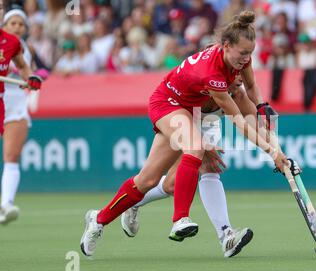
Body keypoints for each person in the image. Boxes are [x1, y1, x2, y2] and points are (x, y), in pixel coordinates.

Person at [80, 11, 288, 257]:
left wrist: (268, 121)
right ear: (226, 46)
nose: (246, 59)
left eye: (250, 54)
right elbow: (240, 122)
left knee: (158, 182)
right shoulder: (212, 75)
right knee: (195, 148)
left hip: (201, 110)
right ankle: (182, 220)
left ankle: (99, 218)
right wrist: (272, 152)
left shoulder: (239, 59)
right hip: (169, 103)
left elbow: (250, 94)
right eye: (243, 53)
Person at [121, 75, 265, 258]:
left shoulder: (237, 93)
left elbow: (258, 127)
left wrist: (279, 155)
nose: (240, 76)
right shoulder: (199, 84)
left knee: (175, 184)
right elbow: (186, 117)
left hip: (208, 121)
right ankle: (225, 234)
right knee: (172, 179)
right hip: (180, 116)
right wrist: (203, 145)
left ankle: (225, 236)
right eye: (234, 71)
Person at [0, 4, 43, 225]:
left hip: (14, 105)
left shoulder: (17, 46)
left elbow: (25, 69)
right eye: (12, 23)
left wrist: (32, 78)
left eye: (20, 24)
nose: (16, 27)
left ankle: (5, 204)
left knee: (11, 155)